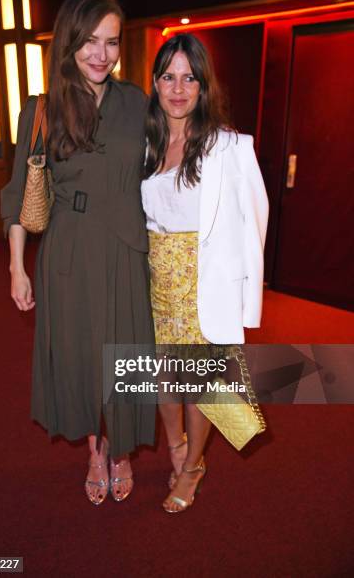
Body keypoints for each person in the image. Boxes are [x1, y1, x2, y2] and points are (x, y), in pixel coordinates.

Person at [1, 0, 155, 505]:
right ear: (68, 41)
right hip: (68, 250)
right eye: (89, 41)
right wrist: (17, 268)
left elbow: (172, 158)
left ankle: (122, 446)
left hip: (128, 246)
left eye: (111, 42)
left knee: (126, 355)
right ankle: (96, 449)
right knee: (83, 356)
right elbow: (21, 190)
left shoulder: (136, 102)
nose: (101, 54)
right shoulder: (41, 110)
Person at [141, 33, 269, 513]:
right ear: (155, 83)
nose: (178, 88)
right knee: (163, 377)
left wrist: (244, 298)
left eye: (188, 77)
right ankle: (175, 446)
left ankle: (193, 464)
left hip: (203, 279)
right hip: (155, 278)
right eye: (168, 77)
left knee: (200, 383)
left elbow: (254, 220)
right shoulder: (147, 144)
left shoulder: (229, 147)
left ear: (202, 85)